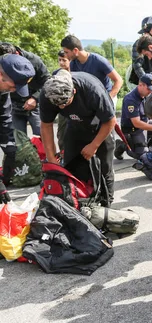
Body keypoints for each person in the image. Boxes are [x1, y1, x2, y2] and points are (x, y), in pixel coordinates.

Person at [39, 70, 116, 206]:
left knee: (105, 168)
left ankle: (106, 205)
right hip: (75, 126)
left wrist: (94, 145)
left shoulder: (92, 90)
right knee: (71, 167)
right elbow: (46, 126)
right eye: (59, 105)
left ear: (74, 91)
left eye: (65, 103)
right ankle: (79, 203)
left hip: (100, 124)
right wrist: (51, 157)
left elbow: (110, 121)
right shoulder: (47, 94)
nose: (62, 107)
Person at [0, 54, 35, 200]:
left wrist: (10, 147)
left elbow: (4, 118)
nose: (14, 90)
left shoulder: (3, 91)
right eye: (13, 86)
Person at [0, 42, 50, 136]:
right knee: (18, 140)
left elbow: (48, 82)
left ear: (16, 55)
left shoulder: (34, 61)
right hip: (13, 105)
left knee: (42, 136)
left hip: (34, 106)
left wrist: (35, 98)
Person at [115, 74, 152, 160]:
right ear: (141, 85)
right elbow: (136, 123)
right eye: (149, 89)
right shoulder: (131, 99)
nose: (150, 92)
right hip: (132, 130)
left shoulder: (146, 95)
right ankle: (122, 145)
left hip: (144, 124)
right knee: (142, 157)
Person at [60, 35, 123, 107]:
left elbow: (119, 80)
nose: (65, 55)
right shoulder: (73, 64)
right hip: (90, 99)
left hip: (105, 96)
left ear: (75, 50)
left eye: (66, 52)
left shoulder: (99, 61)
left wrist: (108, 99)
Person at [130, 16, 152, 86]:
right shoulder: (139, 44)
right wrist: (147, 81)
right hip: (148, 84)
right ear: (147, 29)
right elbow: (137, 65)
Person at [56, 50, 70, 153]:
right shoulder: (56, 74)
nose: (61, 63)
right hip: (63, 109)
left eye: (64, 60)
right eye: (59, 60)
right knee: (62, 133)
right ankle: (63, 154)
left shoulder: (77, 74)